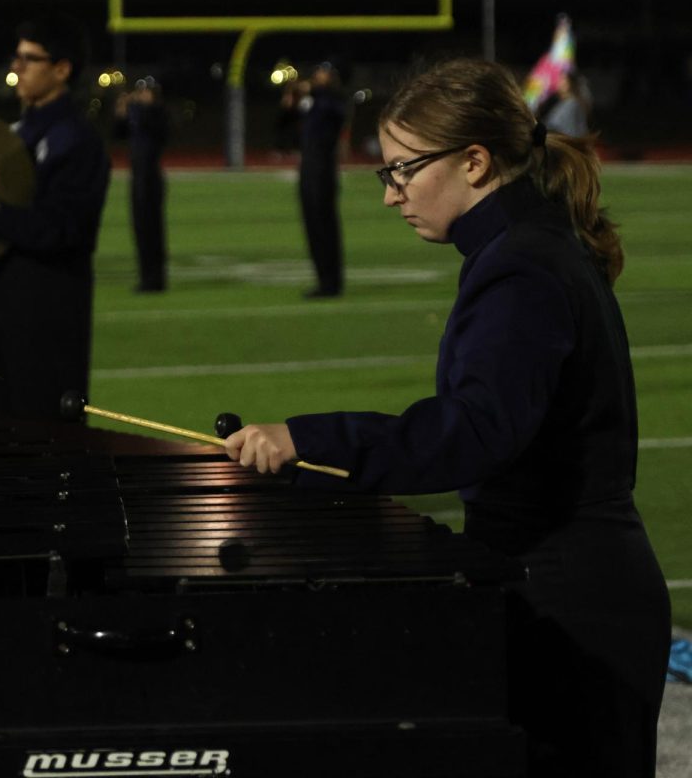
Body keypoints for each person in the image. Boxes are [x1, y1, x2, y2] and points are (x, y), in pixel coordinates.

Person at [224, 58, 670, 775]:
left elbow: (475, 432)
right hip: (566, 586)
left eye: (403, 170)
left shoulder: (519, 267)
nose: (390, 194)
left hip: (574, 606)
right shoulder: (521, 247)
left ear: (474, 162)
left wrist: (309, 441)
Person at [0, 15, 111, 419]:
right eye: (16, 57)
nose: (16, 67)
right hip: (7, 294)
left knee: (45, 429)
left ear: (61, 69)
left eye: (29, 59)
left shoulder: (77, 140)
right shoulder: (19, 133)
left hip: (51, 303)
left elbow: (61, 231)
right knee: (5, 419)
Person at [296, 61, 348, 298]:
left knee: (325, 227)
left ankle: (331, 282)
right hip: (308, 167)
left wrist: (315, 91)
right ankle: (323, 279)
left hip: (324, 170)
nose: (317, 75)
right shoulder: (314, 101)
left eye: (323, 72)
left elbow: (335, 111)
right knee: (312, 227)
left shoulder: (332, 99)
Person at [114, 78, 168, 292]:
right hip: (137, 176)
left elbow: (159, 131)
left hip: (151, 177)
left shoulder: (158, 112)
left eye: (147, 92)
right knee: (140, 229)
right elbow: (117, 133)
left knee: (152, 230)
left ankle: (156, 279)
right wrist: (121, 110)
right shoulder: (138, 111)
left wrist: (139, 106)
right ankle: (146, 276)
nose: (142, 95)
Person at [542, 70, 591, 138]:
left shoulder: (571, 104)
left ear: (569, 84)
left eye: (562, 80)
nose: (558, 83)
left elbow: (556, 126)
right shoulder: (569, 102)